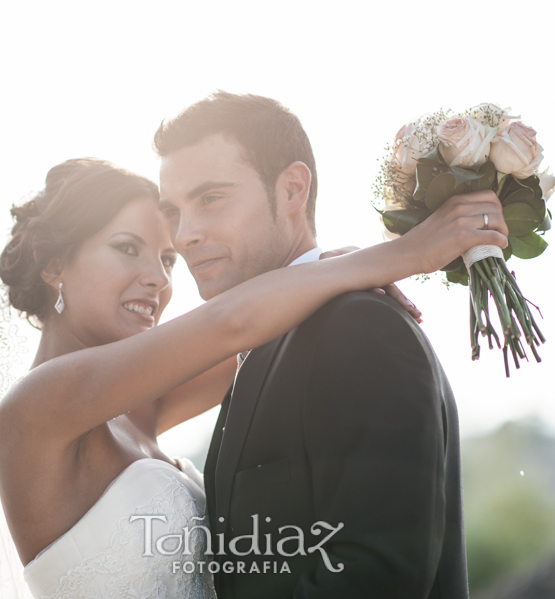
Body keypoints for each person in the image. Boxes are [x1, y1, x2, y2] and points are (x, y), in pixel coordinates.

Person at [0, 148, 506, 596]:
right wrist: (404, 253)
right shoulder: (39, 406)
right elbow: (235, 323)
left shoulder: (141, 410)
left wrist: (328, 269)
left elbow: (270, 324)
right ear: (55, 266)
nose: (158, 281)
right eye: (127, 249)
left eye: (168, 258)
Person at [153, 91, 506, 598]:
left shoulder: (357, 329)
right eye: (174, 210)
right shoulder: (259, 345)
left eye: (211, 199)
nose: (185, 234)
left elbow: (378, 575)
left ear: (293, 190)